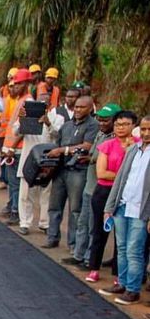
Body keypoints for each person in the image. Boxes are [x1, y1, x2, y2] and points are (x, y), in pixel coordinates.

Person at [61, 103, 120, 268]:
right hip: (90, 184)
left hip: (102, 187)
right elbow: (94, 154)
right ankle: (78, 254)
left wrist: (92, 159)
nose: (101, 123)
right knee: (83, 221)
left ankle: (90, 259)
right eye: (100, 119)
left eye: (106, 120)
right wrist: (88, 159)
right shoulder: (100, 134)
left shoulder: (116, 140)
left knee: (95, 226)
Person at [100, 115, 150, 305]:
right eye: (143, 129)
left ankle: (133, 289)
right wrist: (110, 207)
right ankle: (121, 282)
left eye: (149, 130)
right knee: (121, 247)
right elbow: (120, 179)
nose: (146, 133)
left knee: (134, 250)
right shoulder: (133, 150)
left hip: (141, 211)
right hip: (123, 206)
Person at [84, 110, 138, 283]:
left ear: (133, 126)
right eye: (118, 124)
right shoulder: (107, 144)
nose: (121, 128)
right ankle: (94, 268)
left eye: (125, 124)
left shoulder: (138, 146)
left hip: (128, 194)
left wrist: (118, 175)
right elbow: (101, 173)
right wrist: (125, 176)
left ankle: (118, 273)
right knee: (100, 231)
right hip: (104, 192)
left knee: (121, 236)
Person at [42, 96, 99, 249]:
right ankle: (52, 237)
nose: (78, 109)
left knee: (75, 209)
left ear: (90, 108)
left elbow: (87, 146)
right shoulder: (67, 126)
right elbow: (57, 143)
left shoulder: (93, 125)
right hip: (61, 170)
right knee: (54, 206)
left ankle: (73, 244)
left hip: (78, 171)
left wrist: (62, 150)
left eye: (82, 107)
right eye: (76, 107)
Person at [1, 69, 33, 227]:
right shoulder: (21, 100)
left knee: (15, 182)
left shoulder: (27, 102)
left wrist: (12, 148)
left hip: (18, 148)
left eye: (19, 84)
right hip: (12, 147)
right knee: (12, 181)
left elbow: (24, 128)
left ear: (27, 84)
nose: (16, 87)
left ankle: (16, 212)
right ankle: (12, 207)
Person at [0, 67, 20, 190]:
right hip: (3, 134)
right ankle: (3, 179)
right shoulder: (3, 101)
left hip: (16, 135)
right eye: (10, 86)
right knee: (3, 157)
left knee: (14, 158)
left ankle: (13, 180)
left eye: (14, 86)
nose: (12, 88)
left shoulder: (21, 102)